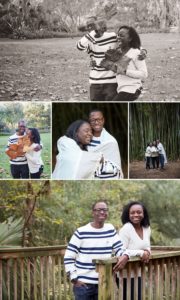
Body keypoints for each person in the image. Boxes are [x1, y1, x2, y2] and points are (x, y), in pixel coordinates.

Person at [64, 200, 129, 300]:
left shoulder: (110, 229)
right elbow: (68, 256)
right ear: (93, 212)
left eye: (105, 210)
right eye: (99, 210)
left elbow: (119, 249)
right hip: (84, 285)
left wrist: (125, 255)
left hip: (104, 283)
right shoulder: (81, 232)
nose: (102, 212)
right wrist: (74, 279)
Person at [52, 119, 122, 180]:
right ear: (76, 132)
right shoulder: (65, 141)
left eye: (91, 132)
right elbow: (76, 158)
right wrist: (99, 157)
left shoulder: (88, 149)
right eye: (86, 131)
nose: (90, 134)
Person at [77, 18, 118, 101]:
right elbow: (79, 47)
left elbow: (128, 43)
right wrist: (93, 32)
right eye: (88, 26)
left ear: (102, 26)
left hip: (111, 81)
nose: (89, 28)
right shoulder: (89, 39)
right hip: (95, 82)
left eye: (92, 25)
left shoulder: (112, 36)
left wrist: (143, 51)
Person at [118, 201, 151, 300]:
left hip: (138, 271)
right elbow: (121, 250)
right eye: (132, 213)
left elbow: (147, 246)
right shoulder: (126, 229)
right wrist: (141, 253)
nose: (136, 215)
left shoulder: (147, 228)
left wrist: (147, 252)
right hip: (124, 273)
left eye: (139, 212)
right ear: (128, 215)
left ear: (143, 213)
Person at [108, 26, 148, 101]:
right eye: (118, 35)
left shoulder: (136, 53)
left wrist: (125, 71)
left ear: (130, 39)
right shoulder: (117, 52)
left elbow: (144, 74)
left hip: (131, 90)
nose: (118, 37)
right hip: (121, 89)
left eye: (122, 35)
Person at [88, 109, 124, 178]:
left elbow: (116, 168)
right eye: (93, 120)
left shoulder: (110, 142)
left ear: (103, 120)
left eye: (99, 119)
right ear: (89, 122)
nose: (96, 122)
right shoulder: (84, 139)